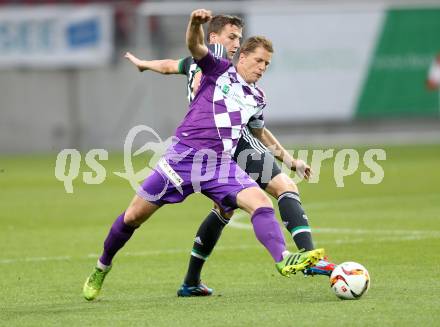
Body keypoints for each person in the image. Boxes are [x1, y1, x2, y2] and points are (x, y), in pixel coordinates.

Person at [82, 9, 325, 301]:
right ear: (243, 57)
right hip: (183, 158)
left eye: (267, 64)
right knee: (133, 217)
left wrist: (290, 160)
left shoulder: (257, 98)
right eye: (258, 60)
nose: (262, 68)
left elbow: (259, 132)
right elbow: (193, 49)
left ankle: (283, 258)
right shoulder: (218, 69)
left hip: (221, 164)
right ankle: (102, 266)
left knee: (260, 202)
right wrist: (193, 24)